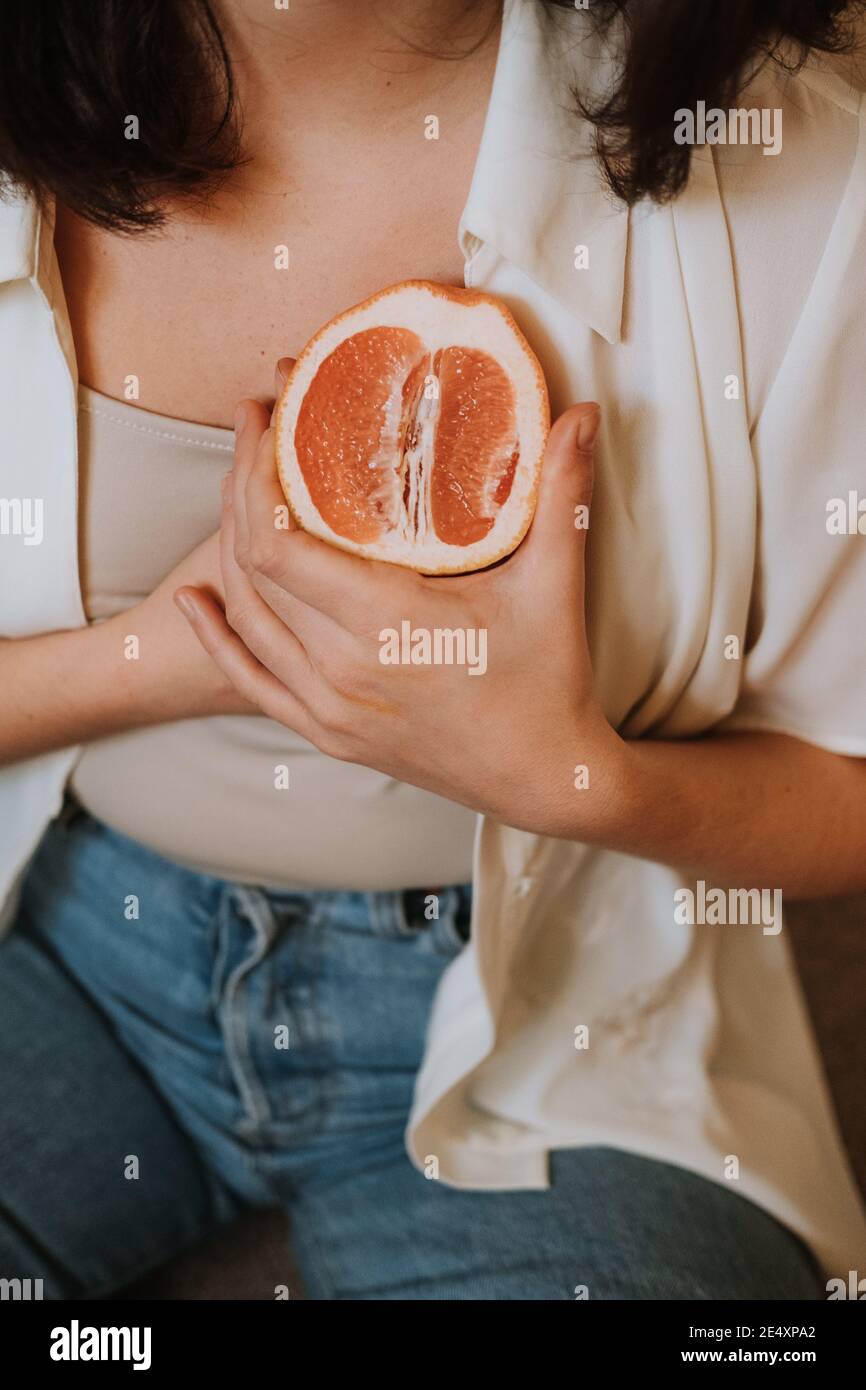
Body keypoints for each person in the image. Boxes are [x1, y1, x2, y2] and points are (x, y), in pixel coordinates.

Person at [0, 0, 864, 1300]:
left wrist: (575, 777)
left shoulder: (809, 159)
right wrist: (172, 650)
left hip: (549, 1026)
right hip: (72, 948)